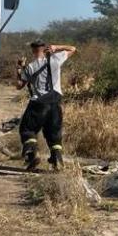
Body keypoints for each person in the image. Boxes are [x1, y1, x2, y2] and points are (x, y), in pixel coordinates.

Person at [14, 40, 77, 170]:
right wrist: (57, 47)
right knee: (54, 134)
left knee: (27, 129)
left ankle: (32, 155)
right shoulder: (56, 59)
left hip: (39, 103)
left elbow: (19, 86)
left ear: (33, 51)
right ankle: (57, 160)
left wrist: (19, 69)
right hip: (55, 102)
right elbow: (73, 49)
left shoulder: (30, 67)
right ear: (44, 48)